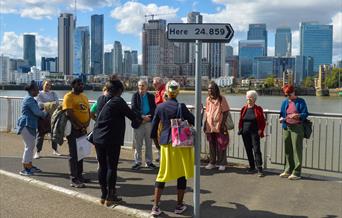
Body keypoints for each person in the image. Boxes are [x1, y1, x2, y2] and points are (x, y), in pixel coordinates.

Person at [92, 80, 142, 206]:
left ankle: (103, 195)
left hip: (98, 138)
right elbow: (132, 116)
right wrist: (140, 120)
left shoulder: (100, 99)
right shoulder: (118, 101)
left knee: (102, 166)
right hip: (112, 139)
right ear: (118, 90)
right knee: (111, 167)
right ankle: (110, 197)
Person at [150, 80, 195, 216]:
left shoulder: (160, 107)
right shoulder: (181, 106)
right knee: (181, 174)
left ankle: (155, 207)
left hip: (165, 144)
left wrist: (159, 144)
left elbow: (153, 131)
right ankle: (179, 205)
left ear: (167, 92)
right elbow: (193, 120)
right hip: (180, 144)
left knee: (162, 174)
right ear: (177, 92)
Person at [62, 78, 91, 188]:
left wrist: (86, 124)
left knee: (81, 153)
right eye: (79, 84)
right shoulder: (68, 97)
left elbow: (88, 111)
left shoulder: (84, 97)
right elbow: (68, 113)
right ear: (73, 85)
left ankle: (80, 175)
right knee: (73, 154)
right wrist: (79, 125)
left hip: (83, 129)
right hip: (74, 129)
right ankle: (73, 179)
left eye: (82, 84)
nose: (82, 86)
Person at [17, 80, 48, 176]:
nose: (38, 92)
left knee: (30, 146)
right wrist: (46, 113)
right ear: (32, 90)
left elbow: (36, 109)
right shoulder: (29, 99)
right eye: (36, 90)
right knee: (29, 147)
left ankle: (29, 165)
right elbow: (37, 112)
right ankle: (26, 168)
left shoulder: (29, 98)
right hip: (26, 124)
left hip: (28, 125)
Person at [279, 84, 308, 180]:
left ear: (293, 92)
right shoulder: (285, 102)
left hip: (297, 127)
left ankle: (297, 172)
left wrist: (297, 115)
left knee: (297, 150)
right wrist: (281, 119)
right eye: (286, 95)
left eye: (289, 95)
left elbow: (305, 113)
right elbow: (281, 114)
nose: (288, 97)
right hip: (286, 127)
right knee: (288, 150)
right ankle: (288, 170)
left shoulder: (301, 101)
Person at [238, 90, 266, 177]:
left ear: (254, 99)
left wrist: (261, 130)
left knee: (256, 150)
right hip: (245, 133)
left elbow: (262, 121)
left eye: (250, 97)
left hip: (255, 132)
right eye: (248, 97)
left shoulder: (258, 109)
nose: (248, 99)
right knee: (248, 149)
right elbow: (241, 121)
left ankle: (259, 168)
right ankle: (252, 167)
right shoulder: (244, 108)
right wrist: (240, 129)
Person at [203, 81, 230, 171]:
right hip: (210, 126)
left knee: (221, 144)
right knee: (211, 144)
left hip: (219, 126)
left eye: (211, 88)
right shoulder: (208, 99)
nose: (209, 90)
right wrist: (204, 123)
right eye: (208, 89)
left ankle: (222, 163)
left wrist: (222, 125)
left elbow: (226, 112)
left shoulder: (222, 99)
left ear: (216, 89)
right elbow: (207, 112)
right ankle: (212, 162)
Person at [131, 80, 157, 170]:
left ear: (146, 86)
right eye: (139, 85)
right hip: (139, 122)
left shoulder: (150, 96)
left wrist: (148, 117)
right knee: (138, 144)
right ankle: (137, 162)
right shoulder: (135, 96)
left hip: (149, 122)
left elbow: (154, 108)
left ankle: (149, 162)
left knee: (149, 143)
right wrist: (142, 117)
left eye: (143, 85)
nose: (141, 87)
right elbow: (133, 108)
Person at [34, 80, 60, 159]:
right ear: (43, 85)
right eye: (46, 84)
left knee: (54, 134)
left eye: (49, 85)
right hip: (43, 117)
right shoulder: (39, 94)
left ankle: (55, 150)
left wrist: (46, 104)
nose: (47, 86)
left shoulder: (53, 93)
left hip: (53, 116)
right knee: (40, 134)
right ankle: (37, 152)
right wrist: (51, 104)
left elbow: (57, 103)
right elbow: (39, 104)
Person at [152, 77, 166, 162]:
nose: (153, 85)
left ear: (159, 83)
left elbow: (165, 104)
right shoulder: (158, 91)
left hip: (162, 118)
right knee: (155, 135)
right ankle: (160, 153)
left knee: (160, 136)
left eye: (155, 84)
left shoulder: (164, 91)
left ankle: (162, 155)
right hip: (158, 117)